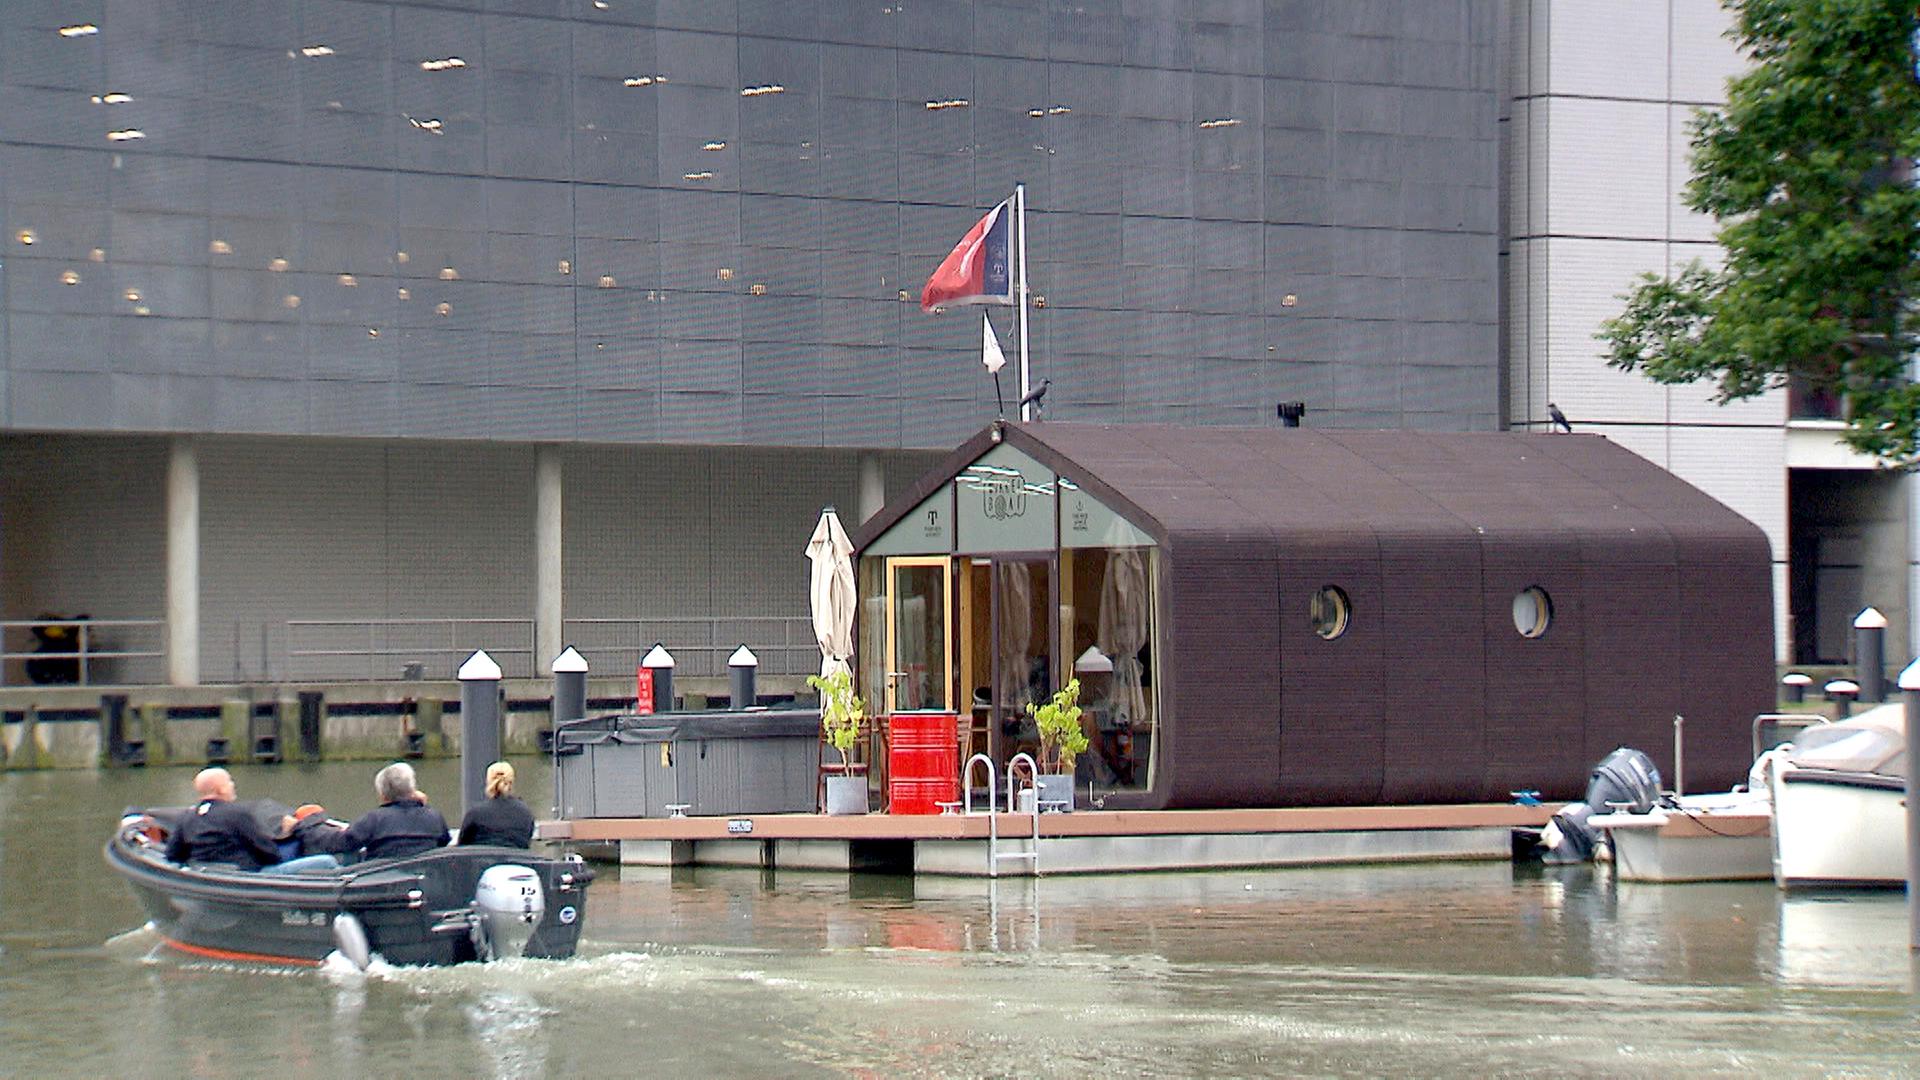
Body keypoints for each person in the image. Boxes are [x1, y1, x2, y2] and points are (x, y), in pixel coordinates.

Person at [165, 767, 338, 874]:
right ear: (221, 789)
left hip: (210, 874)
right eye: (230, 782)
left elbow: (173, 855)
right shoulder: (238, 814)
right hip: (248, 876)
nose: (233, 785)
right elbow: (268, 852)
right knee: (327, 862)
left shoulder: (186, 818)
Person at [303, 761, 450, 863]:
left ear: (383, 795)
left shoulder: (374, 820)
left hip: (383, 887)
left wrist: (310, 826)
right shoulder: (434, 817)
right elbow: (443, 842)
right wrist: (422, 806)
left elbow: (339, 843)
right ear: (413, 790)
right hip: (425, 884)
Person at [457, 761, 535, 848]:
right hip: (517, 860)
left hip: (483, 860)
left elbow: (462, 845)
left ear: (488, 782)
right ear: (511, 782)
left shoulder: (475, 814)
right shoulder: (526, 813)